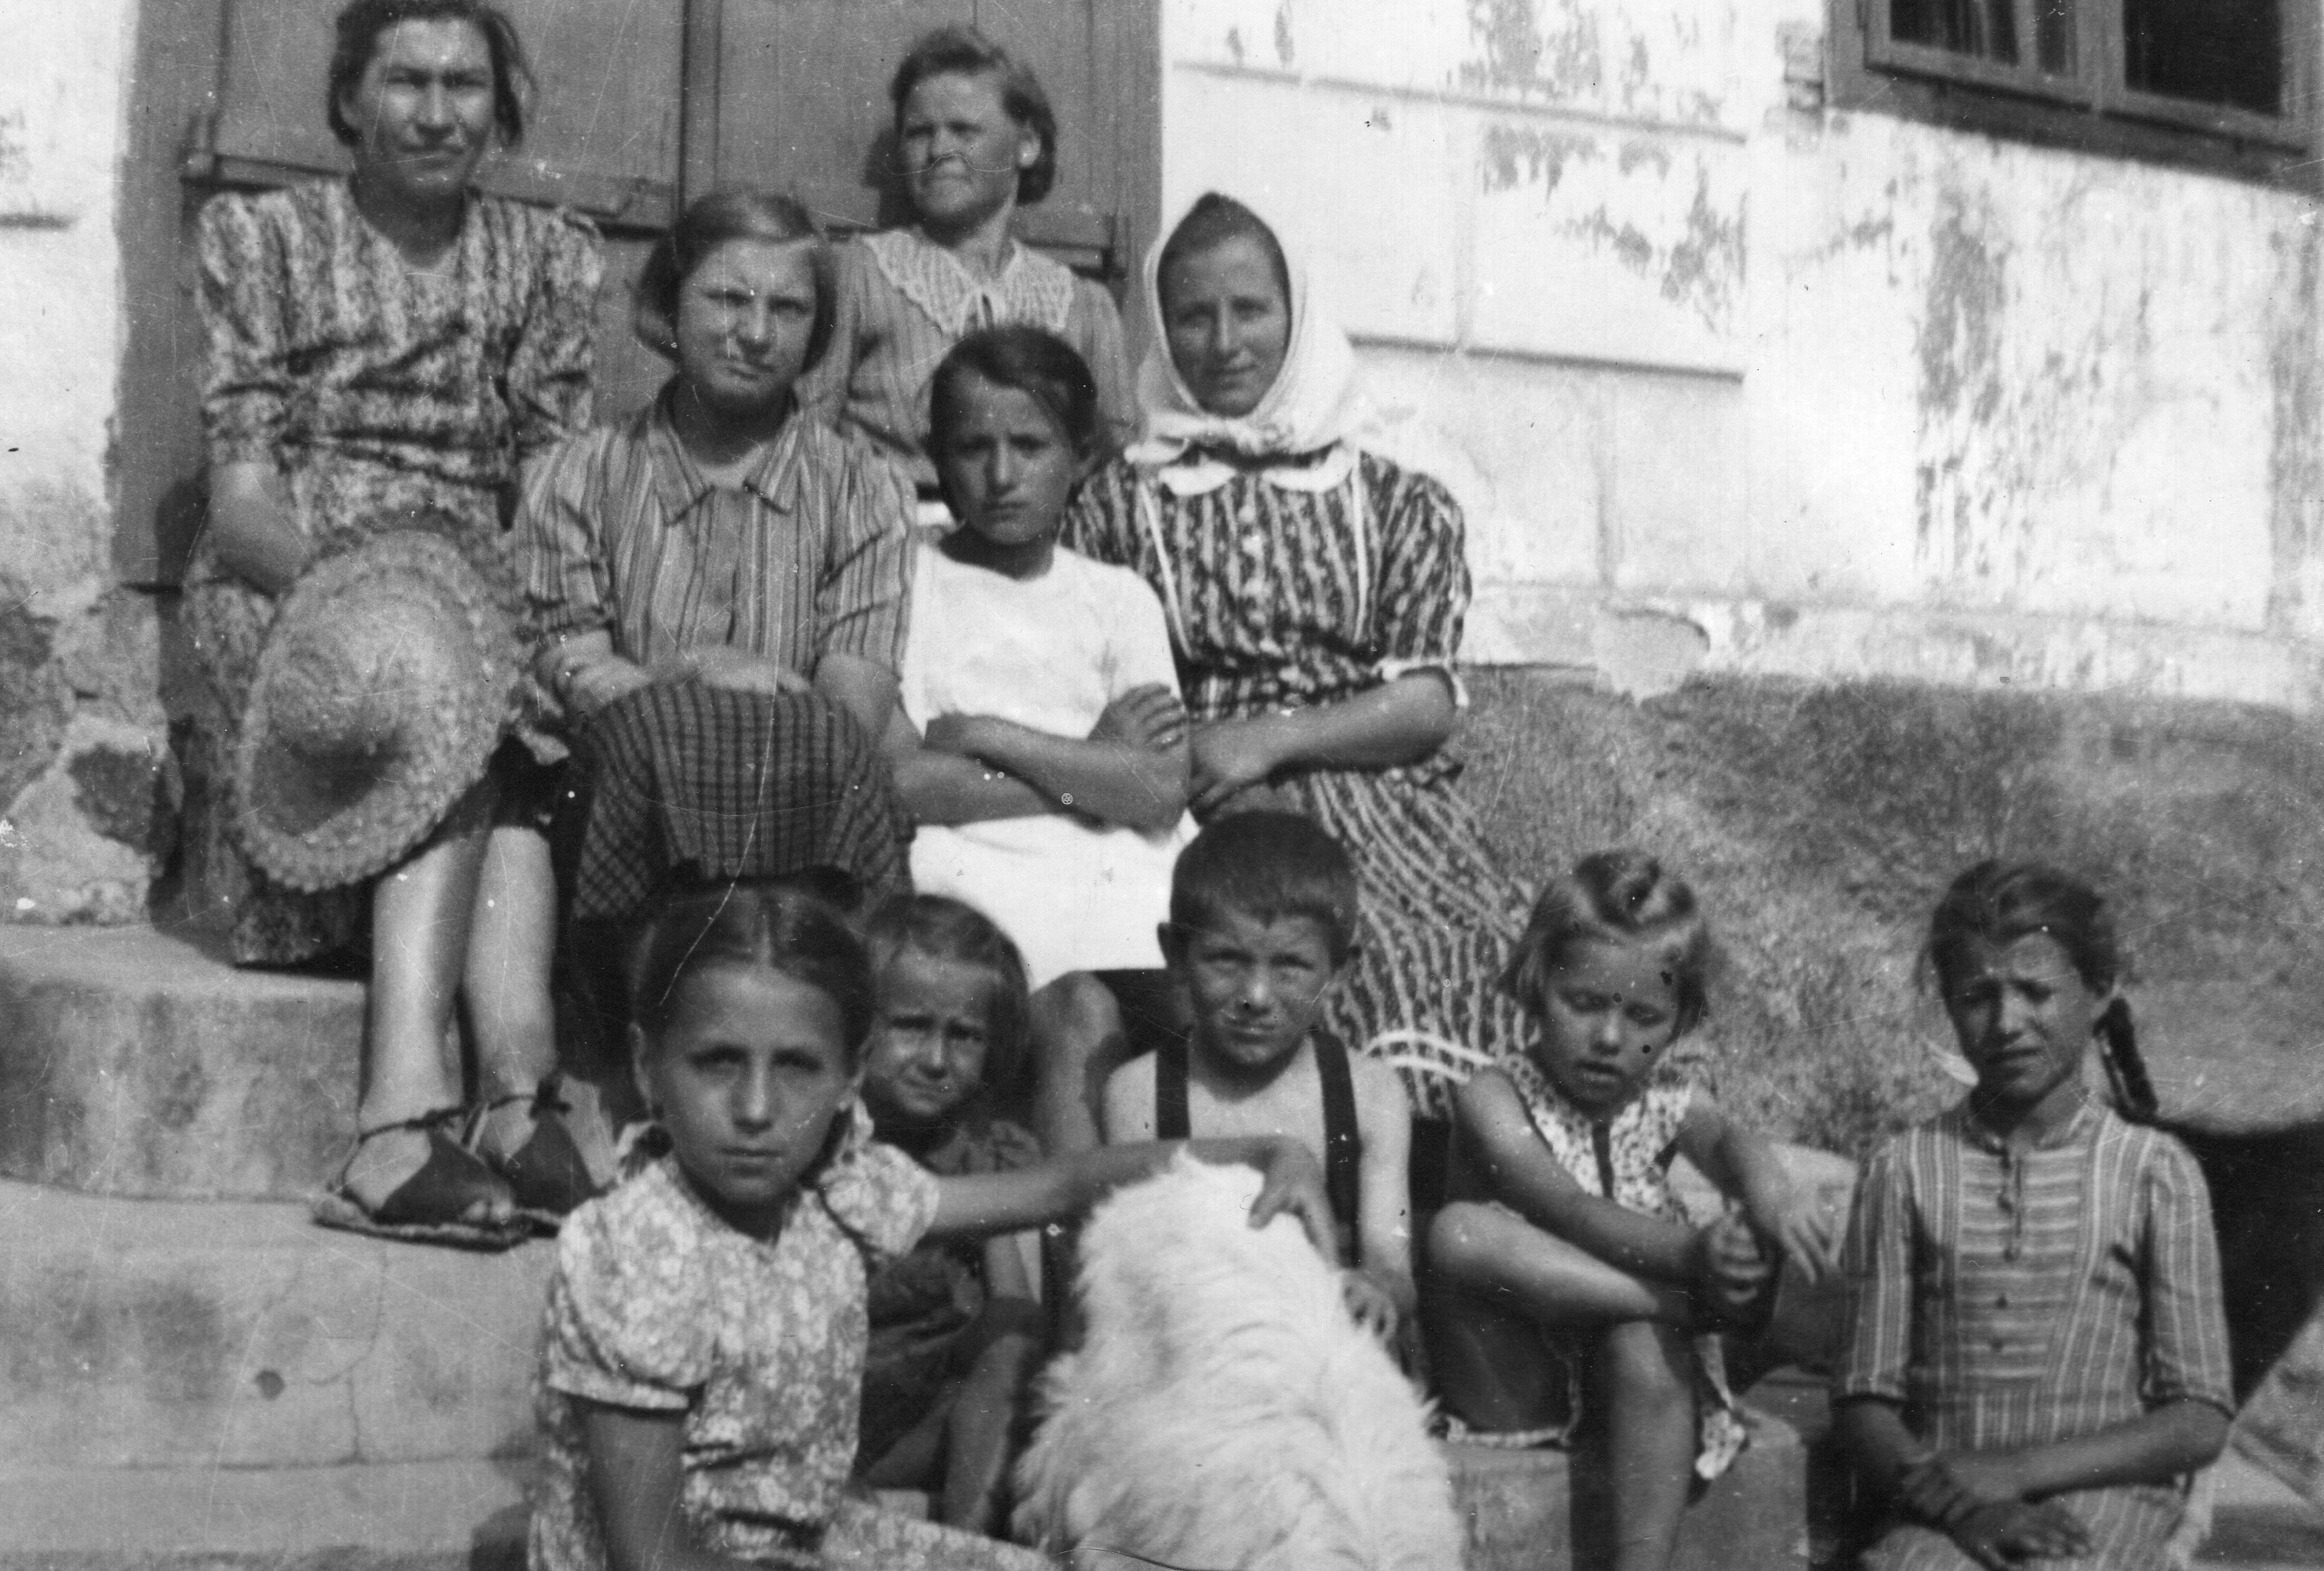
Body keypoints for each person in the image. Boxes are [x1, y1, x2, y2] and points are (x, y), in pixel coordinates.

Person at [527, 876, 1334, 1571]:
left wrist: (1264, 1150)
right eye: (717, 1060)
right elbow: (650, 1554)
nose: (757, 1108)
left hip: (805, 1543)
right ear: (647, 1066)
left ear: (848, 1075)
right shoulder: (634, 1250)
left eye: (798, 1065)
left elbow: (1061, 1184)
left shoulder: (839, 1186)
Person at [185, 0, 601, 1239]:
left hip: (480, 565)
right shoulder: (265, 238)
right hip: (297, 569)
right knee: (438, 692)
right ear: (350, 101)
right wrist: (380, 603)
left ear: (499, 106)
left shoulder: (546, 256)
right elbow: (241, 506)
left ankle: (514, 1095)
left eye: (463, 85)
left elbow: (550, 479)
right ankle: (394, 1118)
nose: (435, 113)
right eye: (405, 82)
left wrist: (490, 611)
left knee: (512, 716)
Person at [1062, 191, 1530, 1139]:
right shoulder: (1114, 505)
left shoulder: (1396, 501)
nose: (1225, 342)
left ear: (1298, 315)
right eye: (1194, 315)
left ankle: (1456, 1183)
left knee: (1471, 941)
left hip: (1376, 794)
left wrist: (1270, 739)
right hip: (1197, 795)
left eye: (1251, 310)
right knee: (1287, 947)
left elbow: (1426, 702)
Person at [1425, 850, 1839, 1571]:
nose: (1610, 1038)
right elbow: (1565, 1206)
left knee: (1650, 1339)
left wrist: (1771, 1195)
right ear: (1535, 985)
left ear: (1680, 1020)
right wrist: (1691, 1264)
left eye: (1644, 1015)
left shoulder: (1668, 1098)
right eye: (1584, 1003)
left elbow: (1731, 1142)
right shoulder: (1493, 1096)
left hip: (1628, 1369)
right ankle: (1692, 1310)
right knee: (1458, 1231)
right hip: (1517, 1380)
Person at [518, 190, 914, 939]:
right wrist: (705, 672)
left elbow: (850, 714)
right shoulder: (576, 475)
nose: (757, 334)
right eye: (728, 299)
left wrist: (665, 682)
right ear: (670, 306)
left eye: (789, 309)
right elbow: (576, 676)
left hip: (802, 834)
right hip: (631, 848)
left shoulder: (864, 489)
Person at [1835, 862, 2231, 1571]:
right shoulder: (1905, 1168)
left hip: (2106, 1502)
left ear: (2098, 993)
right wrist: (1966, 1508)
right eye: (1977, 996)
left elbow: (2199, 1417)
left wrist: (2014, 1470)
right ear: (1949, 1006)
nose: (2007, 1022)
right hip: (1944, 1507)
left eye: (2036, 991)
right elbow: (1864, 1400)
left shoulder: (2154, 1172)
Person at [881, 325, 1193, 1139]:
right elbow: (908, 783)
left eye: (1029, 445)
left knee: (1200, 1014)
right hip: (983, 873)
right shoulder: (909, 584)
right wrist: (1095, 769)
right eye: (973, 447)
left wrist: (992, 734)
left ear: (1080, 458)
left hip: (1129, 876)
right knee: (1078, 1012)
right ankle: (1077, 1213)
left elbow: (1160, 788)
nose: (1001, 475)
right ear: (937, 457)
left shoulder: (1117, 598)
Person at [1101, 812, 1418, 1368]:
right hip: (1198, 1354)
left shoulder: (1369, 1093)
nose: (1256, 995)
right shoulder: (1140, 1094)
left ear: (1339, 971)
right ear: (1175, 954)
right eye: (1226, 960)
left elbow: (1391, 1263)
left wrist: (1377, 1289)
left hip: (1337, 1358)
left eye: (1291, 966)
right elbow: (1137, 1266)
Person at [796, 24, 1135, 503]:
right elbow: (806, 433)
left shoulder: (1082, 306)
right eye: (919, 133)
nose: (938, 150)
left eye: (963, 130)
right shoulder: (863, 274)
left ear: (1027, 145)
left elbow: (1115, 465)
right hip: (890, 528)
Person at [853, 895, 1047, 1536]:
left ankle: (967, 1541)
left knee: (1017, 1332)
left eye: (963, 1035)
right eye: (911, 1026)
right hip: (829, 1408)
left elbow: (1012, 1308)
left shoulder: (985, 1154)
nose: (937, 1059)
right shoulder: (828, 1142)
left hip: (926, 1421)